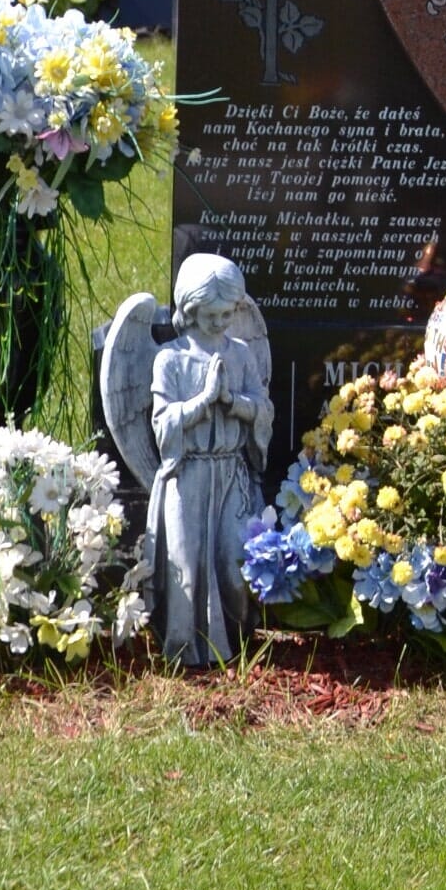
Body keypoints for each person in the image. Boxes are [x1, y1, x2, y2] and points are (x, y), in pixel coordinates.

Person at [147, 254, 272, 667]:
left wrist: (231, 401)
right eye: (210, 314)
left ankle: (237, 640)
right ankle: (183, 652)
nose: (220, 322)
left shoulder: (239, 354)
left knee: (234, 567)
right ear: (189, 309)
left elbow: (263, 409)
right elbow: (163, 424)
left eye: (228, 313)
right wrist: (202, 401)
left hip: (230, 473)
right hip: (188, 475)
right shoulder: (171, 359)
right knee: (184, 565)